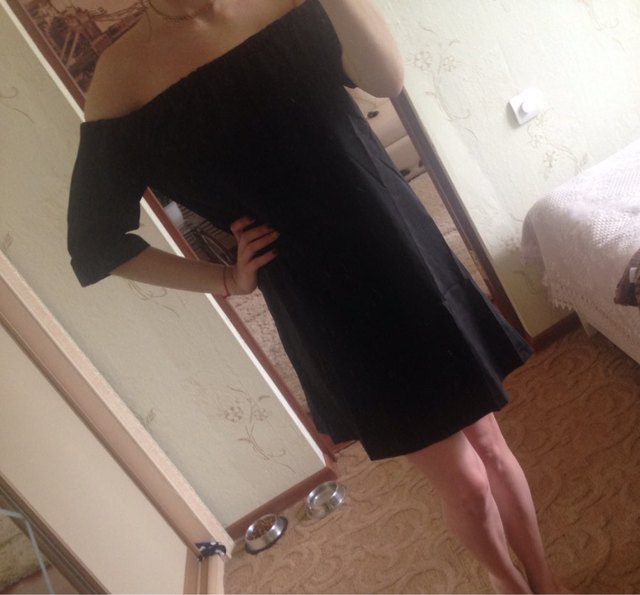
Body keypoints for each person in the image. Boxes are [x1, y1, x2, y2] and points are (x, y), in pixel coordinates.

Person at [67, 0, 566, 592]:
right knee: (468, 484)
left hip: (403, 251)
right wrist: (225, 279)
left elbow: (386, 80)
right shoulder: (122, 76)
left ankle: (544, 580)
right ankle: (509, 584)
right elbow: (95, 244)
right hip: (324, 300)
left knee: (491, 446)